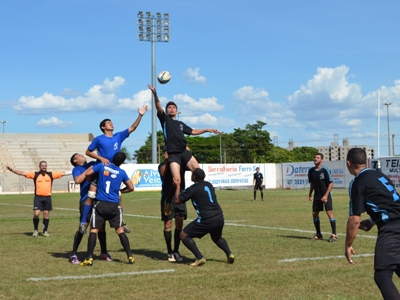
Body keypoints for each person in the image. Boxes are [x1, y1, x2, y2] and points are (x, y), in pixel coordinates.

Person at [80, 104, 148, 233]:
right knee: (91, 195)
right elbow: (88, 152)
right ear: (103, 127)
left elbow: (133, 128)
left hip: (114, 171)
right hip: (102, 170)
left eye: (111, 122)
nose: (111, 124)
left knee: (118, 197)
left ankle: (121, 222)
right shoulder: (99, 139)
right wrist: (101, 159)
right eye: (108, 123)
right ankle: (83, 222)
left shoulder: (118, 136)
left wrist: (140, 115)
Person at [148, 84, 220, 203]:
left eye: (173, 107)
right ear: (166, 111)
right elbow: (158, 107)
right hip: (173, 154)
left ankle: (200, 195)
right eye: (169, 107)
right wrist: (155, 94)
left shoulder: (180, 124)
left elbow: (192, 131)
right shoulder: (165, 120)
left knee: (199, 173)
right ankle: (178, 198)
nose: (171, 108)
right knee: (177, 180)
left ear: (177, 110)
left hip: (184, 152)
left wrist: (207, 129)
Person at [345, 148, 400, 299]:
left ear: (348, 163)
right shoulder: (380, 175)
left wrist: (348, 245)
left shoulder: (358, 182)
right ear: (366, 161)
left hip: (392, 230)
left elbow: (354, 219)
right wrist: (371, 220)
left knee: (382, 274)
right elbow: (391, 204)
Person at [80, 152, 135, 266]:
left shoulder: (102, 166)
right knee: (120, 230)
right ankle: (130, 256)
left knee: (94, 230)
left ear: (112, 158)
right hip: (114, 204)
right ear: (122, 162)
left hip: (100, 203)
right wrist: (120, 191)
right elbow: (131, 187)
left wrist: (92, 181)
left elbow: (88, 174)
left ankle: (89, 258)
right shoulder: (122, 172)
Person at [177, 168, 235, 267]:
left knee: (183, 235)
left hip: (207, 218)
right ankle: (230, 254)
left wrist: (177, 186)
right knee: (217, 237)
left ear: (194, 177)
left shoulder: (193, 188)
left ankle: (199, 257)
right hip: (219, 216)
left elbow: (178, 200)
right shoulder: (209, 185)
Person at [69, 153, 112, 265]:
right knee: (84, 226)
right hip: (86, 200)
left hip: (99, 200)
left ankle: (104, 252)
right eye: (79, 155)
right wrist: (89, 169)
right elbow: (78, 180)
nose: (82, 155)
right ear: (75, 160)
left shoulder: (93, 163)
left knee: (101, 226)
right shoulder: (77, 169)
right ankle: (73, 253)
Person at [6, 162, 69, 237]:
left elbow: (63, 173)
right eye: (42, 165)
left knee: (46, 214)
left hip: (47, 197)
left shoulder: (50, 174)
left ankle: (45, 231)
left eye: (45, 165)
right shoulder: (35, 174)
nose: (44, 167)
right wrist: (12, 170)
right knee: (36, 214)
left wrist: (75, 171)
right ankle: (35, 230)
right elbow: (23, 173)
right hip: (38, 197)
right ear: (39, 166)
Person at [158, 149, 187, 262]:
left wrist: (185, 152)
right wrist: (166, 160)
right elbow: (162, 172)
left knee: (179, 222)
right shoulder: (163, 164)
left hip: (180, 197)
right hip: (167, 198)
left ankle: (176, 250)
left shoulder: (181, 163)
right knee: (168, 224)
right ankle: (169, 251)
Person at [307, 153, 337, 242]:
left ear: (322, 160)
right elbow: (312, 183)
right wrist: (310, 194)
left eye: (317, 157)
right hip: (317, 195)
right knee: (315, 213)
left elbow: (330, 183)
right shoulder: (311, 171)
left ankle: (334, 235)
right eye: (314, 157)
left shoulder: (325, 170)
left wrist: (326, 195)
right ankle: (318, 234)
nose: (315, 159)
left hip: (326, 195)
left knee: (329, 212)